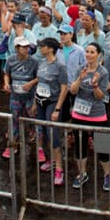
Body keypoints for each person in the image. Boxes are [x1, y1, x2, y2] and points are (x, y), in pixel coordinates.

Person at [68, 42, 110, 191]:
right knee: (80, 146)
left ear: (98, 55)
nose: (89, 55)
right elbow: (73, 91)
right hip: (79, 113)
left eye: (92, 52)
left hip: (97, 114)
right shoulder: (80, 69)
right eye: (87, 51)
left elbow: (100, 96)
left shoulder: (103, 72)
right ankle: (82, 173)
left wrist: (95, 85)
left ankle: (107, 174)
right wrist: (80, 79)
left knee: (102, 147)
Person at [31, 37, 70, 185]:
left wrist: (57, 108)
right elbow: (39, 83)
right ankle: (51, 160)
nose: (40, 48)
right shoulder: (41, 62)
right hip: (40, 101)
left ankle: (59, 168)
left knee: (53, 134)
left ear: (51, 49)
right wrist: (35, 103)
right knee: (44, 132)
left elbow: (64, 88)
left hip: (52, 102)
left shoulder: (60, 66)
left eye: (43, 46)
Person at [3, 35, 37, 160]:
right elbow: (6, 73)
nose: (26, 49)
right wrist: (6, 83)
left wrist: (31, 83)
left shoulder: (34, 61)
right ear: (16, 48)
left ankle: (34, 134)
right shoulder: (10, 60)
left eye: (27, 47)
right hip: (15, 97)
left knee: (32, 118)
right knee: (14, 120)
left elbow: (39, 77)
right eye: (23, 47)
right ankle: (12, 146)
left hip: (29, 97)